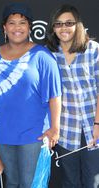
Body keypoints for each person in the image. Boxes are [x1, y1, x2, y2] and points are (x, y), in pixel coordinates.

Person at [0, 2, 62, 187]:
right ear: (4, 28)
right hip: (2, 133)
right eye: (12, 22)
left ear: (30, 26)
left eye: (22, 22)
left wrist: (55, 128)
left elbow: (55, 94)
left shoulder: (42, 56)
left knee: (29, 183)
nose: (17, 27)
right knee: (12, 182)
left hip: (33, 134)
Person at [46, 4, 99, 187]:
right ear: (53, 28)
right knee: (70, 182)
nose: (63, 28)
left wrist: (98, 124)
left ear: (78, 25)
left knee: (93, 181)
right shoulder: (49, 55)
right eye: (58, 24)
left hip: (93, 128)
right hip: (66, 130)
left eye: (69, 23)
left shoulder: (93, 49)